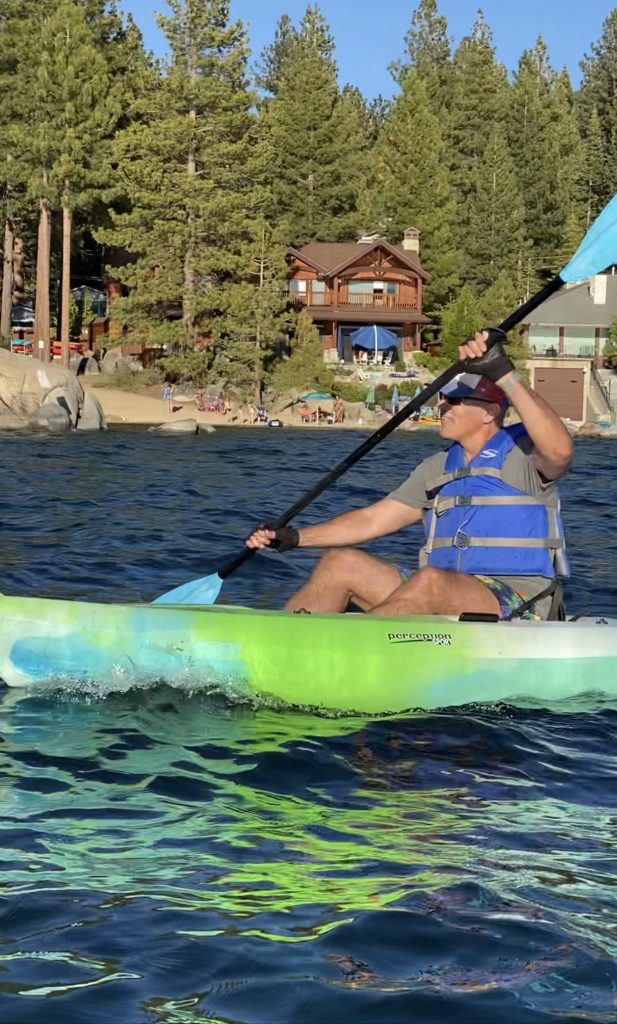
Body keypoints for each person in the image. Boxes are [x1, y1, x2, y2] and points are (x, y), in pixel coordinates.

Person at [245, 331, 574, 621]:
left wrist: (503, 372)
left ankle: (348, 651)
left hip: (519, 601)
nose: (442, 407)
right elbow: (371, 521)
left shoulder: (524, 453)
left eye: (455, 401)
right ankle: (285, 645)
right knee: (339, 564)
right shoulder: (436, 468)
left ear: (489, 412)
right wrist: (296, 538)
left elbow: (560, 450)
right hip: (445, 591)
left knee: (429, 581)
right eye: (442, 399)